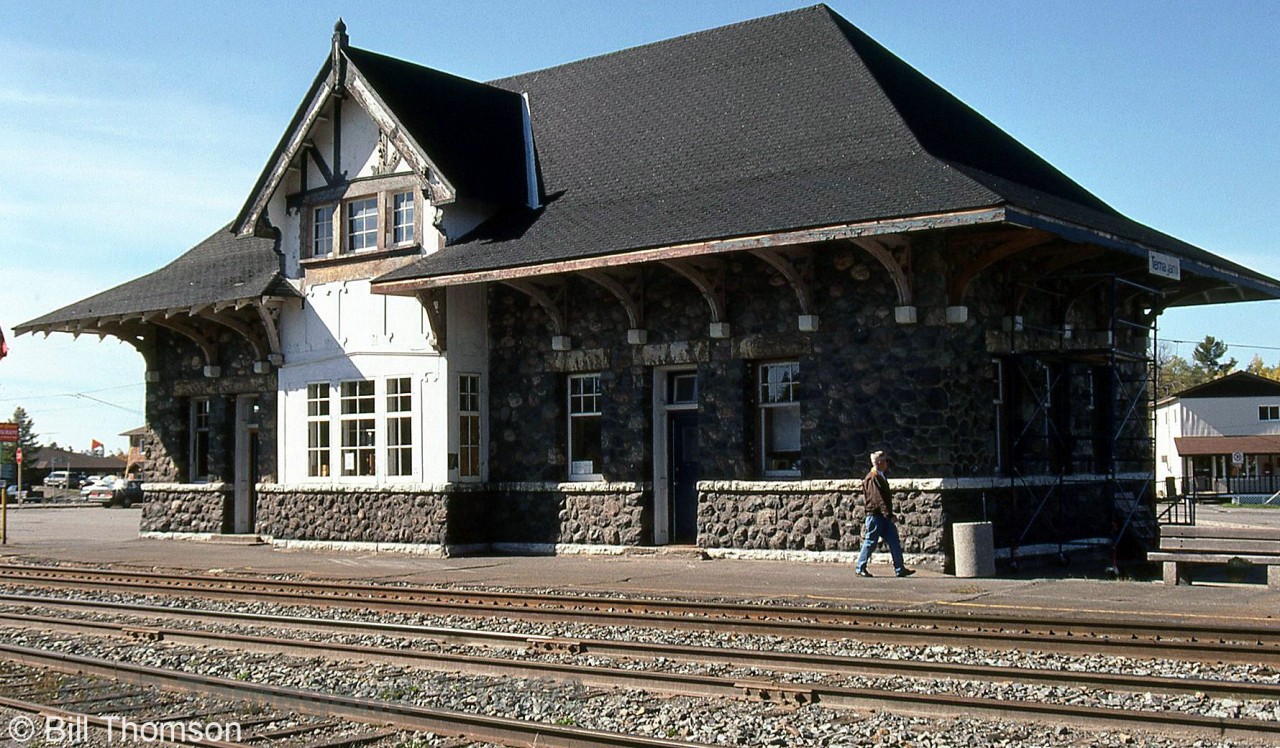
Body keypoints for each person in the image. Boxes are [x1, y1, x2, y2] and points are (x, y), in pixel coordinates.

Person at [855, 450, 914, 578]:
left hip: (882, 515)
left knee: (894, 540)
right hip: (876, 515)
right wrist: (888, 513)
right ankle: (860, 566)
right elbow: (877, 498)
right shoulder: (873, 477)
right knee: (871, 541)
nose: (887, 463)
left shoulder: (880, 475)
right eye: (885, 460)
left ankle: (900, 568)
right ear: (880, 462)